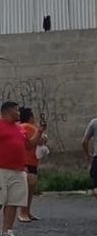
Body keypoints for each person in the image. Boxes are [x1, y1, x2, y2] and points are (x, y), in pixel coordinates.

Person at [0, 101, 44, 236]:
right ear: (8, 112)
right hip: (2, 169)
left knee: (13, 201)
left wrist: (39, 131)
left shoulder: (20, 128)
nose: (19, 113)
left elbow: (29, 145)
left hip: (18, 170)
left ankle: (7, 230)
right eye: (17, 111)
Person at [17, 107, 47, 223]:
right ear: (30, 116)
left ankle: (27, 211)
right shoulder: (27, 127)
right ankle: (23, 212)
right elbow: (41, 140)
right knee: (27, 188)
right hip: (28, 161)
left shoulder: (23, 127)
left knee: (30, 189)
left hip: (30, 160)